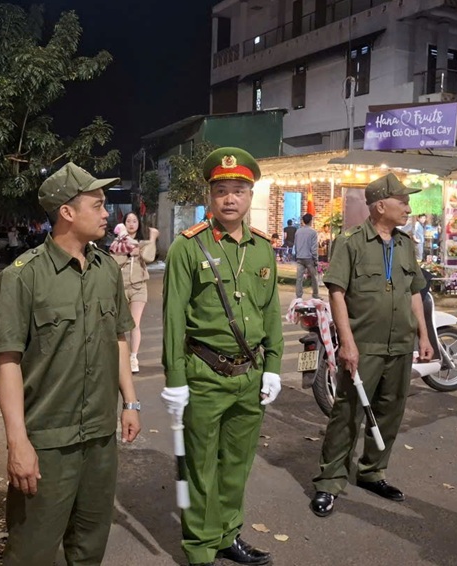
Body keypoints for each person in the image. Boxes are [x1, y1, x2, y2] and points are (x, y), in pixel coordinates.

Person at [0, 162, 141, 566]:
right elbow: (7, 361)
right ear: (67, 212)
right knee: (31, 552)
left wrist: (130, 402)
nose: (107, 213)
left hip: (99, 437)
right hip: (47, 441)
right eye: (98, 205)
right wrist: (17, 442)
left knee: (89, 546)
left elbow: (119, 337)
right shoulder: (22, 277)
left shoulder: (107, 270)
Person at [161, 147, 284, 566]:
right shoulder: (187, 248)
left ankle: (228, 534)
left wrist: (273, 367)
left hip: (250, 376)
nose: (230, 199)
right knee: (199, 466)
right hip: (204, 373)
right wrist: (175, 379)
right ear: (209, 196)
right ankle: (199, 548)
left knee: (237, 464)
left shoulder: (263, 247)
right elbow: (174, 317)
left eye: (239, 190)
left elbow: (270, 312)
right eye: (221, 191)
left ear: (250, 195)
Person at [310, 173, 434, 518]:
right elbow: (337, 293)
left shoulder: (405, 244)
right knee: (347, 413)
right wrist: (347, 343)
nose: (408, 208)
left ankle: (372, 472)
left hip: (400, 344)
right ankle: (329, 481)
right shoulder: (350, 242)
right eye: (402, 201)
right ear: (380, 206)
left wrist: (424, 336)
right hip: (364, 344)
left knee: (391, 410)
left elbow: (414, 292)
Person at [110, 211, 159, 373]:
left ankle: (133, 357)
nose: (131, 224)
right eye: (128, 221)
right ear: (124, 224)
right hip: (121, 287)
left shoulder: (143, 243)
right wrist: (128, 251)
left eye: (134, 221)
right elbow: (114, 262)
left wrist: (152, 238)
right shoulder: (117, 243)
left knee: (135, 324)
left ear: (139, 224)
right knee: (120, 325)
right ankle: (120, 357)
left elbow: (149, 257)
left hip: (139, 287)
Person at [294, 213, 320, 300]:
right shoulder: (313, 232)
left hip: (299, 257)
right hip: (309, 258)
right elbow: (314, 248)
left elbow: (296, 245)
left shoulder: (298, 231)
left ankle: (298, 296)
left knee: (299, 278)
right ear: (311, 221)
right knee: (314, 277)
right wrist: (316, 260)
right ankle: (315, 294)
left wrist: (297, 254)